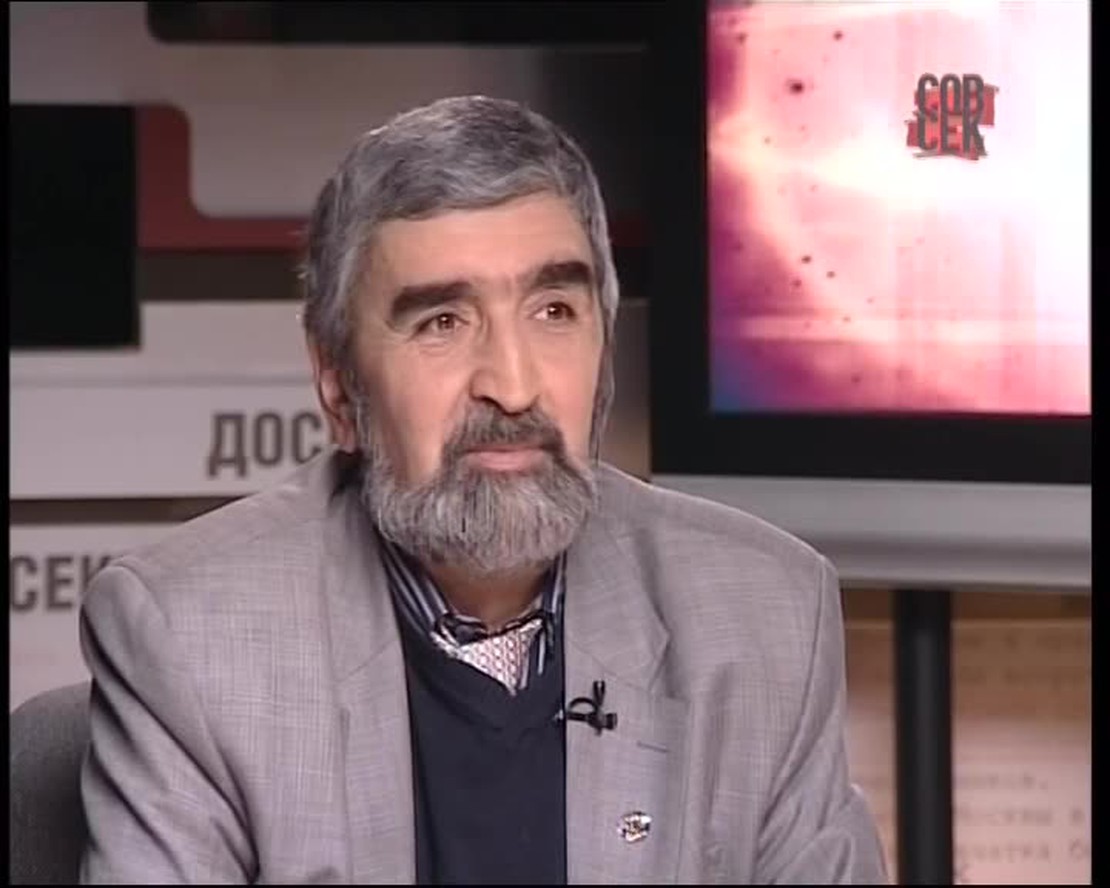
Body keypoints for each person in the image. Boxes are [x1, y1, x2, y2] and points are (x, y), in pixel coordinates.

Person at [79, 95, 888, 884]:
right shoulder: (192, 639)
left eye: (554, 311)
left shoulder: (766, 616)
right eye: (442, 322)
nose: (512, 385)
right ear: (338, 385)